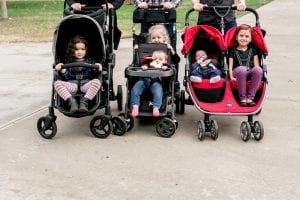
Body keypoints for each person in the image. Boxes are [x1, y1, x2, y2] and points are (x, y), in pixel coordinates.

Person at [54, 35, 103, 113]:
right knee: (57, 84)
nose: (79, 52)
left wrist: (97, 67)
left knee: (97, 82)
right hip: (73, 85)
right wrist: (62, 70)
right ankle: (71, 101)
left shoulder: (90, 61)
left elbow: (92, 74)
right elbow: (67, 77)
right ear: (72, 50)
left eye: (82, 49)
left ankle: (84, 101)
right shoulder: (68, 61)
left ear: (86, 50)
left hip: (85, 85)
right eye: (76, 49)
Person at [228, 24, 262, 106]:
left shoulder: (253, 50)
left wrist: (257, 75)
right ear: (236, 37)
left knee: (258, 69)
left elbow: (256, 66)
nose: (243, 38)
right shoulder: (232, 51)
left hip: (249, 72)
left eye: (247, 36)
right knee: (241, 69)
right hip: (237, 72)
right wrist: (231, 77)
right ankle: (242, 98)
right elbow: (230, 66)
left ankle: (250, 98)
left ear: (250, 39)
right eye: (241, 36)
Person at [131, 50, 169, 117]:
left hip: (155, 82)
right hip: (143, 81)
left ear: (165, 61)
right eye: (155, 58)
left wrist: (165, 68)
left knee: (158, 91)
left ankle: (156, 108)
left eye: (160, 59)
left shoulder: (164, 66)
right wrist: (144, 66)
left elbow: (167, 74)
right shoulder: (148, 64)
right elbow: (144, 63)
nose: (157, 60)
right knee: (135, 89)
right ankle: (135, 106)